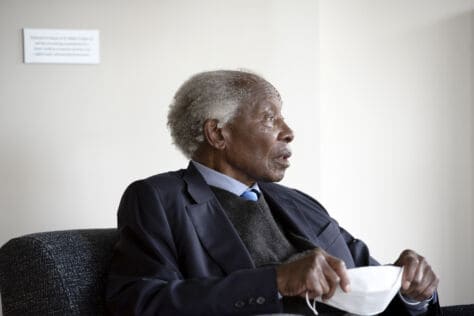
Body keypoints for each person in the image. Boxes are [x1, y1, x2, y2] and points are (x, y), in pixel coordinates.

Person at [106, 70, 440, 316]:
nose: (289, 132)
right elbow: (140, 303)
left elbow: (369, 284)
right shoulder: (158, 198)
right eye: (270, 118)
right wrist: (275, 282)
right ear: (217, 133)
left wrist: (412, 289)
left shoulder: (299, 203)